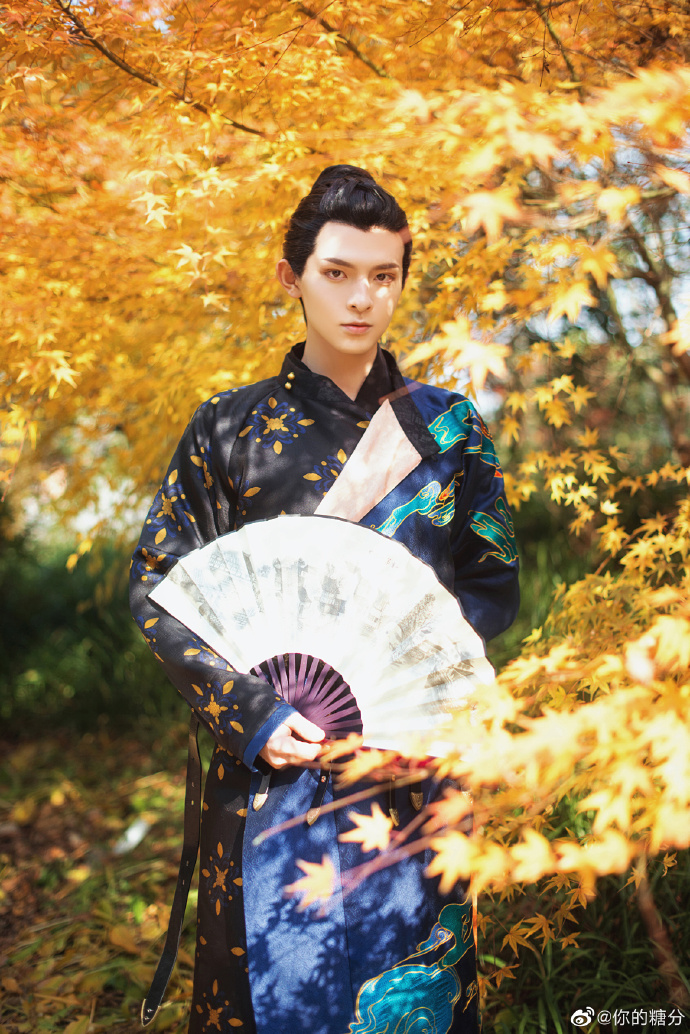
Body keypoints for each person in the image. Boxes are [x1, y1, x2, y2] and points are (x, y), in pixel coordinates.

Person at [130, 165, 520, 1034]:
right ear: (292, 277)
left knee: (411, 997)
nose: (361, 298)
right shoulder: (227, 428)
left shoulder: (449, 429)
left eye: (384, 275)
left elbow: (490, 584)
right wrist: (252, 714)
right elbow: (161, 588)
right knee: (271, 995)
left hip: (409, 775)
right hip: (267, 775)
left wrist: (419, 684)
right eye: (337, 272)